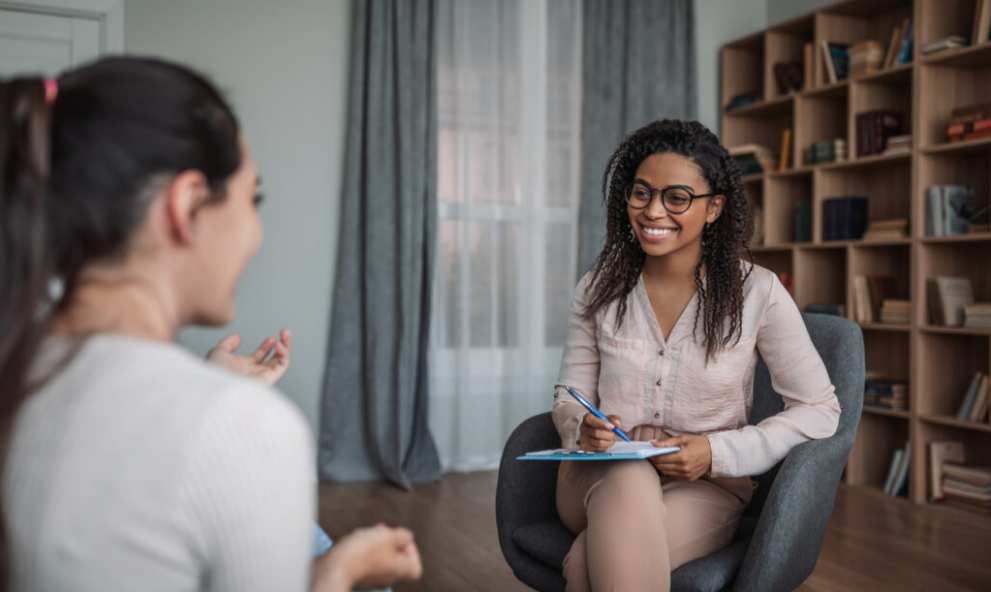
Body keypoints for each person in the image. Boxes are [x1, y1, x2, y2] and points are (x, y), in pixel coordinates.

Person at [0, 57, 421, 592]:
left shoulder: (19, 370)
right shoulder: (241, 429)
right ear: (188, 205)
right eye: (254, 199)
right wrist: (340, 572)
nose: (256, 233)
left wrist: (208, 385)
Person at [552, 120, 841, 592]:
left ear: (714, 208)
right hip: (594, 476)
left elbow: (821, 410)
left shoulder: (758, 293)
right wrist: (579, 426)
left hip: (707, 489)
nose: (653, 211)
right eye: (641, 193)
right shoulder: (597, 288)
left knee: (590, 560)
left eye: (677, 197)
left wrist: (717, 451)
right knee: (627, 475)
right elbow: (569, 395)